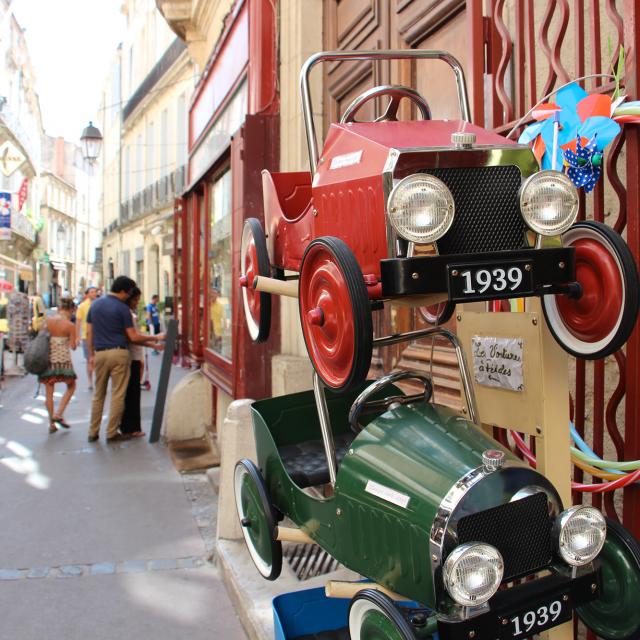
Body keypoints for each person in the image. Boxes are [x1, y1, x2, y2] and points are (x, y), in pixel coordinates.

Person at [87, 276, 163, 443]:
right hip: (118, 352)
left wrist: (91, 354)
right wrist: (155, 338)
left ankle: (93, 432)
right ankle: (111, 432)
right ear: (123, 291)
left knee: (98, 394)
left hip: (100, 352)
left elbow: (89, 333)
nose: (129, 297)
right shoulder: (122, 308)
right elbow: (133, 337)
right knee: (117, 394)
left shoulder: (95, 304)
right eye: (128, 293)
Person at [119, 287, 163, 438]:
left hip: (132, 355)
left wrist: (153, 344)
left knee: (132, 392)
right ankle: (131, 428)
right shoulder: (128, 315)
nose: (137, 303)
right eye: (136, 300)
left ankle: (128, 426)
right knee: (132, 393)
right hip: (131, 357)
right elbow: (134, 337)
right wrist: (155, 338)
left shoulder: (127, 314)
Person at [38, 297, 77, 434]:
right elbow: (73, 346)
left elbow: (41, 338)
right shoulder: (70, 325)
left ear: (60, 309)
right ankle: (59, 413)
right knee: (71, 386)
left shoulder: (47, 322)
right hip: (63, 361)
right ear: (71, 310)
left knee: (49, 393)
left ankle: (51, 424)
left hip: (48, 360)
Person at [75, 285, 97, 390]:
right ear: (87, 294)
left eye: (95, 292)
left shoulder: (100, 304)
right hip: (86, 337)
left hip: (99, 336)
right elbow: (78, 322)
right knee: (89, 360)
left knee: (99, 360)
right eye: (91, 292)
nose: (94, 293)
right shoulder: (82, 306)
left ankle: (99, 380)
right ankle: (90, 381)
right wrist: (77, 336)